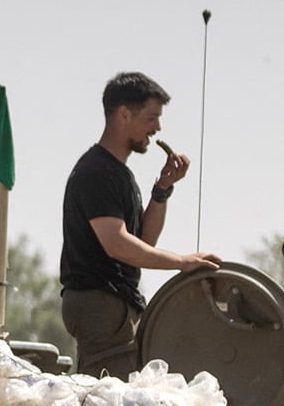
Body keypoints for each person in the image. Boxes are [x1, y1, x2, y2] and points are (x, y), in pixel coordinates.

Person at [59, 73, 221, 376]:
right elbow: (117, 244)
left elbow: (143, 243)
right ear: (124, 114)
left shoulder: (120, 174)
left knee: (120, 394)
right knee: (108, 398)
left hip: (115, 302)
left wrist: (163, 189)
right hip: (100, 301)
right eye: (151, 118)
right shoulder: (97, 171)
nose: (157, 128)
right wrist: (181, 262)